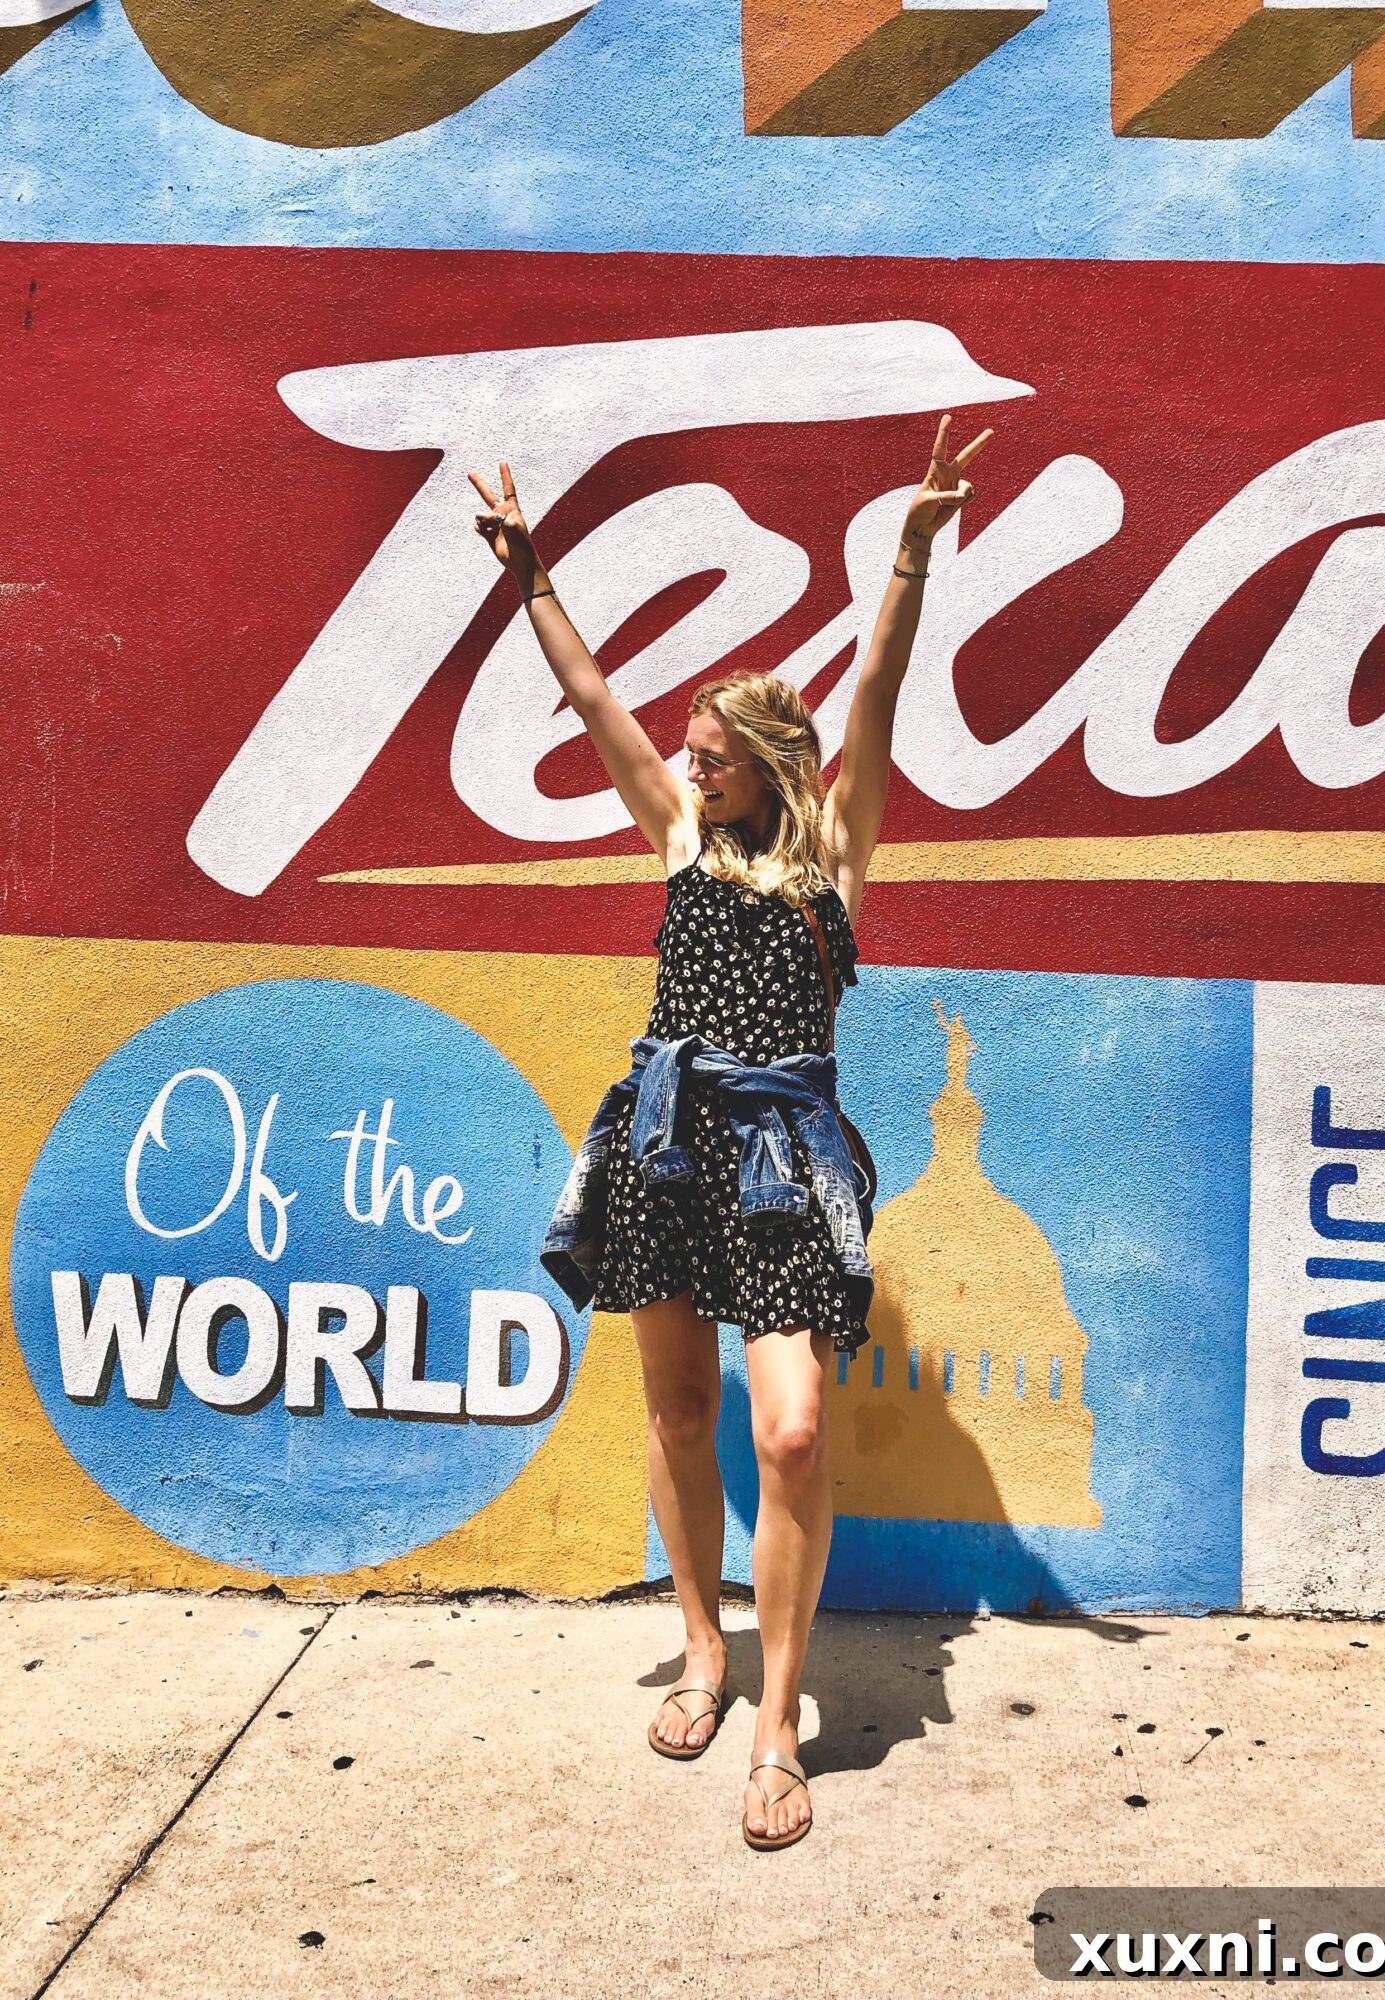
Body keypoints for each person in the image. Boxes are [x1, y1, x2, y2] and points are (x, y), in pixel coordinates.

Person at [468, 413, 991, 1851]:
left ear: (767, 764)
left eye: (710, 757)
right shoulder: (678, 838)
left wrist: (909, 550)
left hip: (787, 1165)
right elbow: (590, 705)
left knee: (797, 1430)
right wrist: (534, 575)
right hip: (667, 1143)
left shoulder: (834, 854)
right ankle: (704, 1645)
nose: (686, 768)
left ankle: (778, 1718)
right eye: (687, 754)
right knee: (679, 1412)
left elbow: (876, 688)